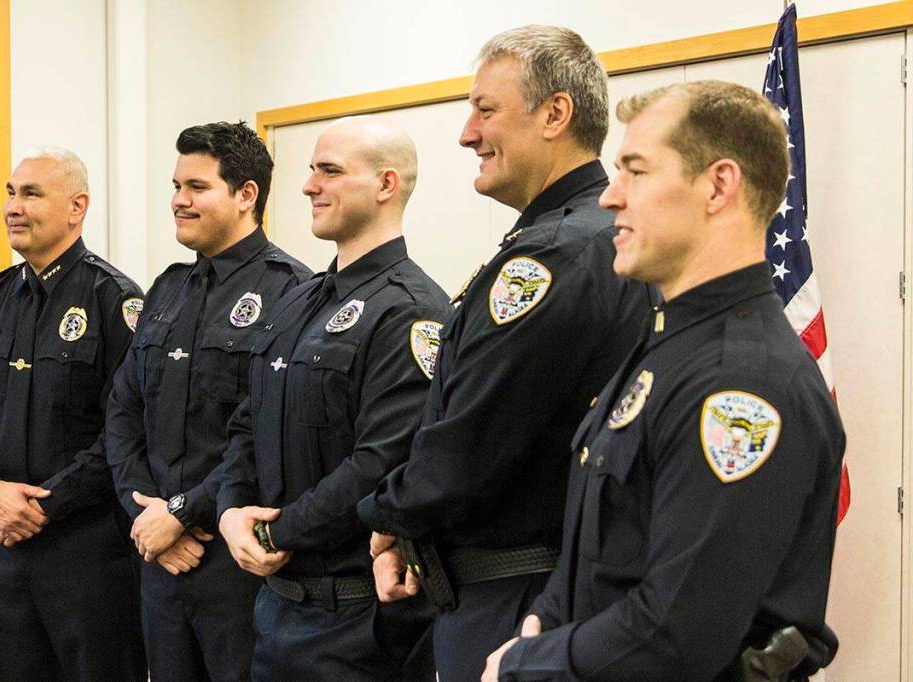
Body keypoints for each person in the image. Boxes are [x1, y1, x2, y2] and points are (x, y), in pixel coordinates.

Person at [482, 81, 846, 681]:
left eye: (637, 171)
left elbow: (678, 635)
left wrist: (528, 664)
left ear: (718, 185)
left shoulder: (743, 385)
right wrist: (543, 620)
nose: (609, 197)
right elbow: (602, 549)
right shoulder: (670, 343)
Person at [355, 25, 650, 681]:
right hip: (543, 586)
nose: (466, 133)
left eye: (485, 109)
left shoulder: (551, 256)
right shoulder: (597, 237)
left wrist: (382, 515)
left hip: (515, 592)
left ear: (555, 114)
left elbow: (468, 438)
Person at [215, 116, 451, 681]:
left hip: (356, 616)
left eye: (330, 171)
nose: (308, 185)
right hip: (275, 607)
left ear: (386, 185)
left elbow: (379, 464)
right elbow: (248, 422)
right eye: (311, 169)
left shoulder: (412, 310)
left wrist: (275, 532)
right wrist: (229, 512)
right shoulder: (300, 303)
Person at [105, 121, 311, 682]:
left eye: (196, 187)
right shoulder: (167, 289)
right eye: (176, 186)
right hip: (158, 556)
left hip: (233, 559)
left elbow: (265, 431)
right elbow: (123, 410)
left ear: (247, 195)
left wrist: (184, 513)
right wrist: (146, 512)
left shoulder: (293, 292)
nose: (178, 201)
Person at [0, 147, 147, 681]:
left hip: (88, 556)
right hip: (4, 547)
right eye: (11, 192)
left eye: (31, 194)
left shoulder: (114, 299)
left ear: (77, 207)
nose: (13, 206)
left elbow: (124, 431)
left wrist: (41, 508)